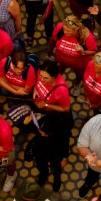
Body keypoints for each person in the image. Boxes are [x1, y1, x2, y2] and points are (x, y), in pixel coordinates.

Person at [29, 59, 72, 192]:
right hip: (44, 113)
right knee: (41, 161)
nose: (42, 79)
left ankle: (56, 178)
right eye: (40, 76)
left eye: (46, 78)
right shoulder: (41, 75)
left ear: (54, 77)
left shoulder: (61, 90)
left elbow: (65, 109)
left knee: (55, 164)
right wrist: (36, 90)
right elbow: (37, 83)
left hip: (54, 115)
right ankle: (43, 174)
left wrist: (46, 105)